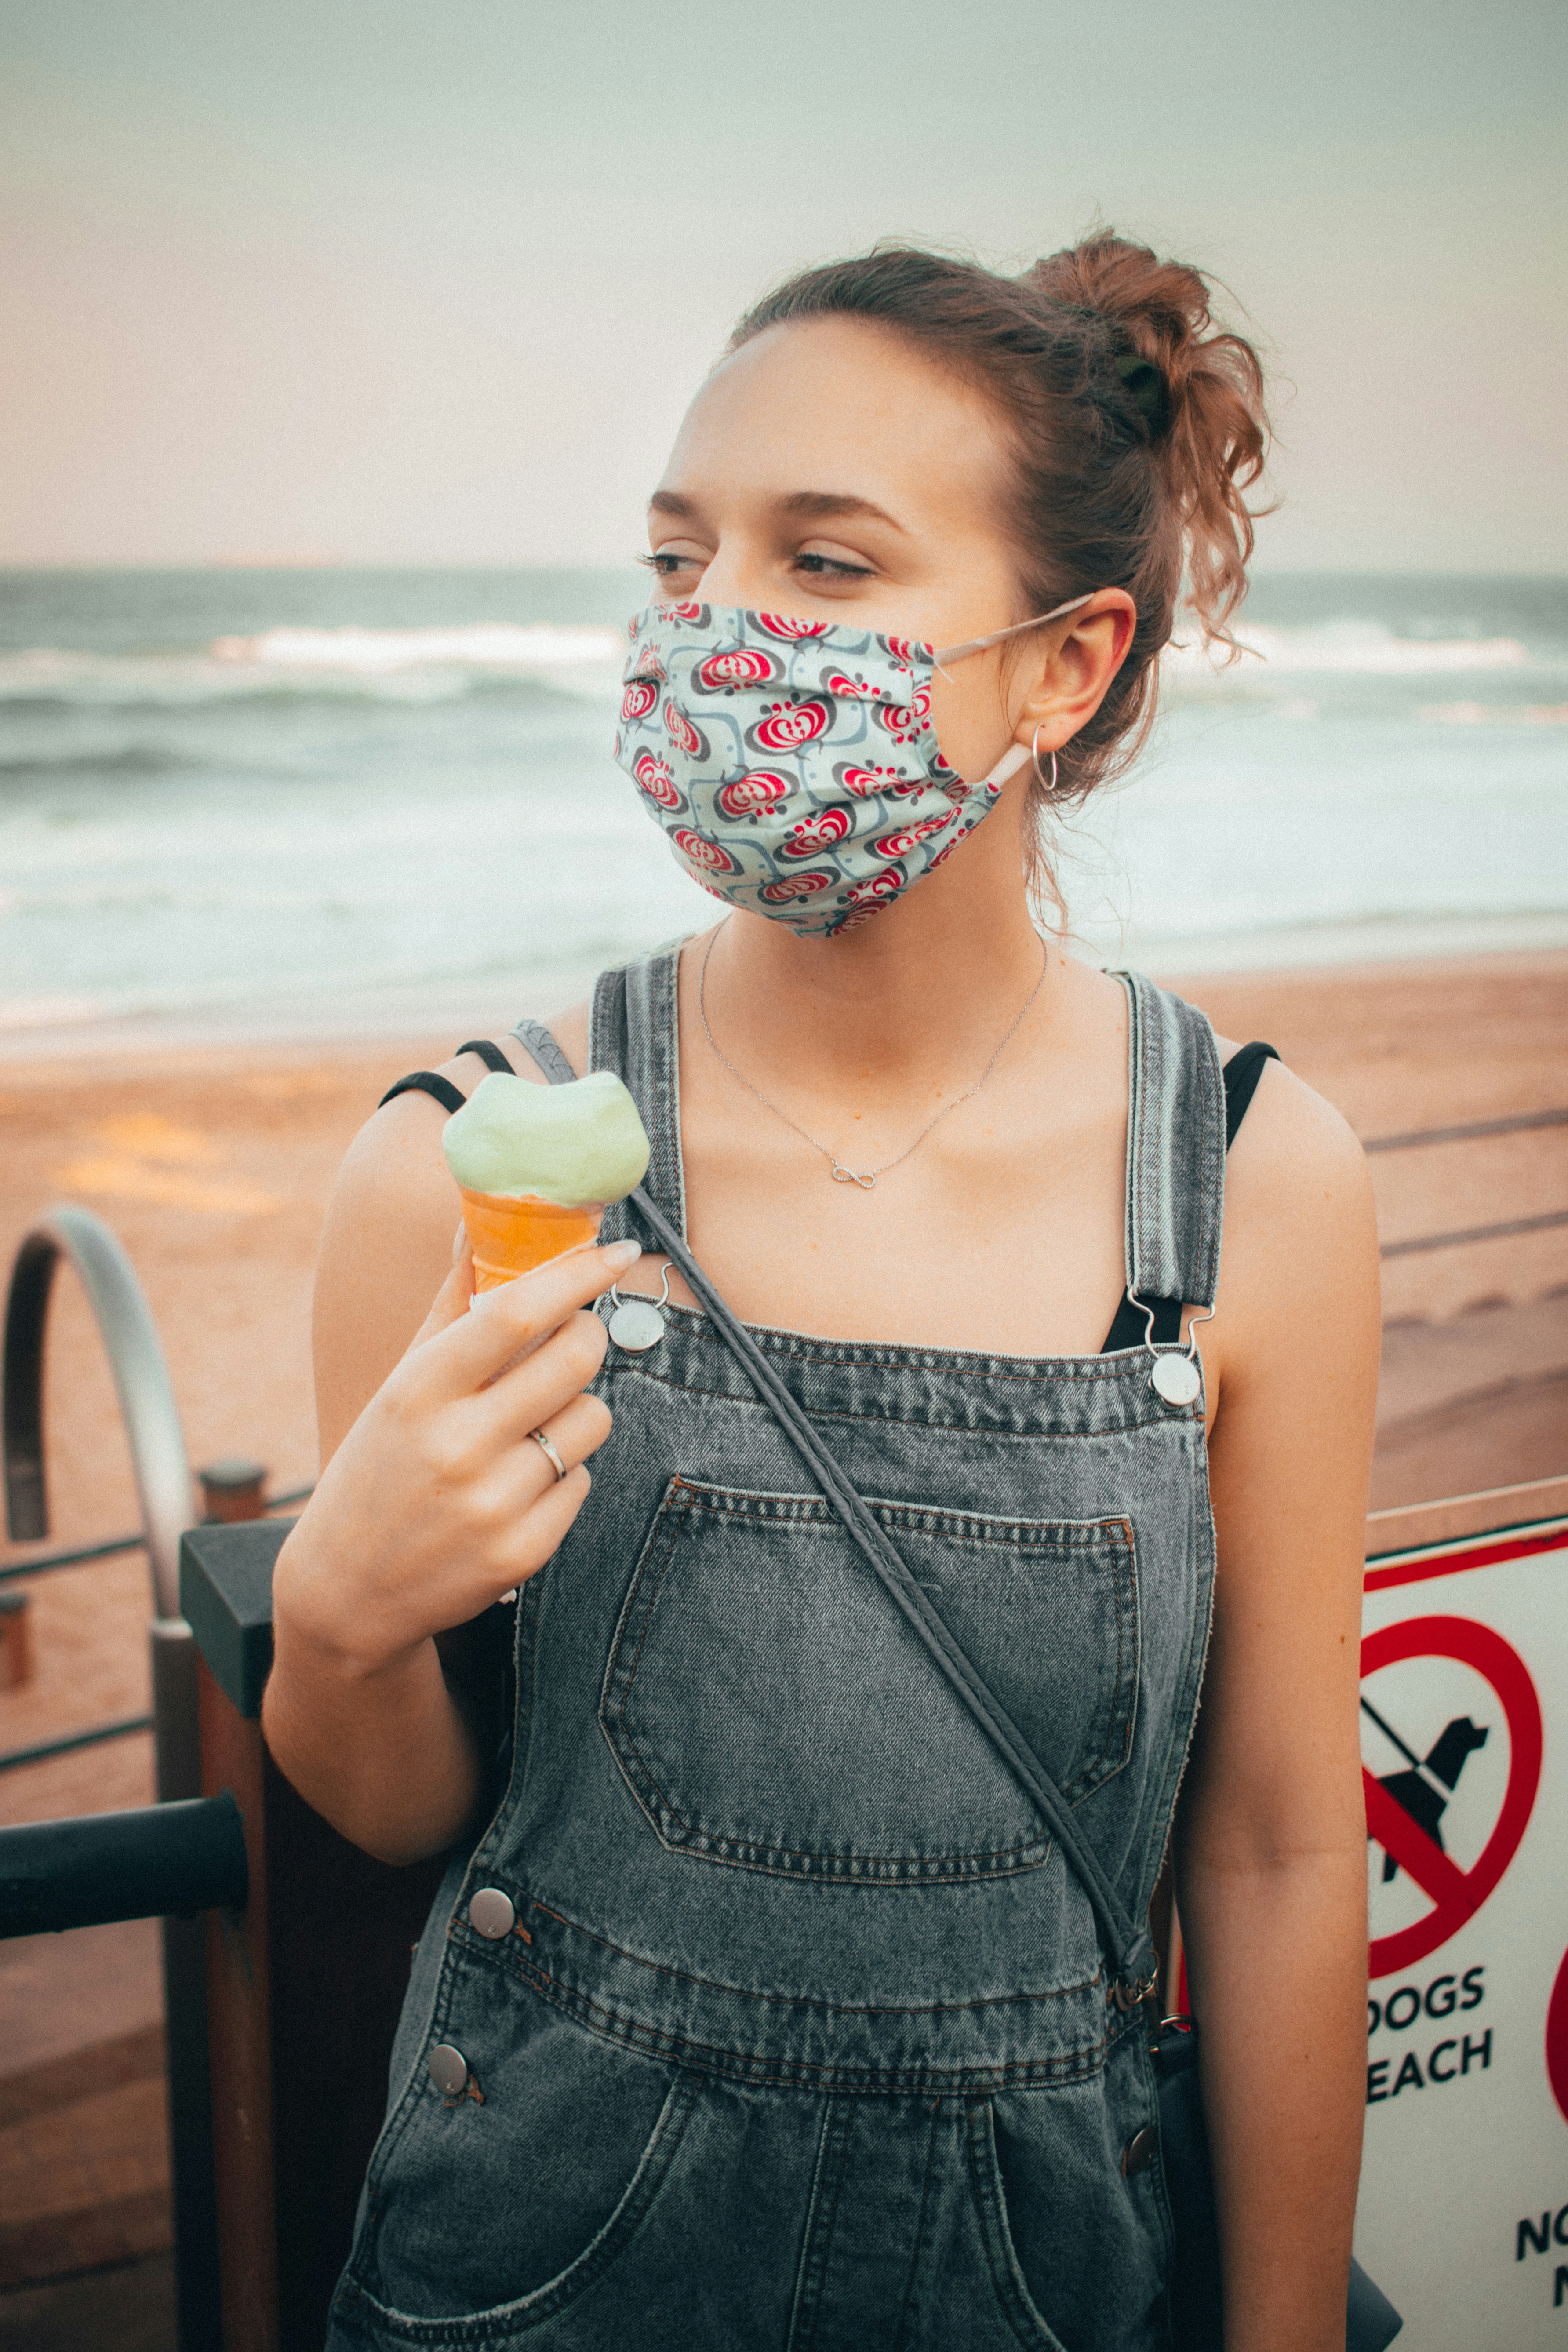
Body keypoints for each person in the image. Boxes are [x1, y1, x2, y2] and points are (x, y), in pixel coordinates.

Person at [267, 234, 1379, 2352]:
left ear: (1062, 667)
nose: (715, 633)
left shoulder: (1254, 1182)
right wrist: (338, 1613)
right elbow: (413, 1807)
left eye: (829, 566)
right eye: (681, 563)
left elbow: (1269, 1852)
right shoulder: (464, 1153)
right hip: (535, 2261)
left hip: (1053, 2275)